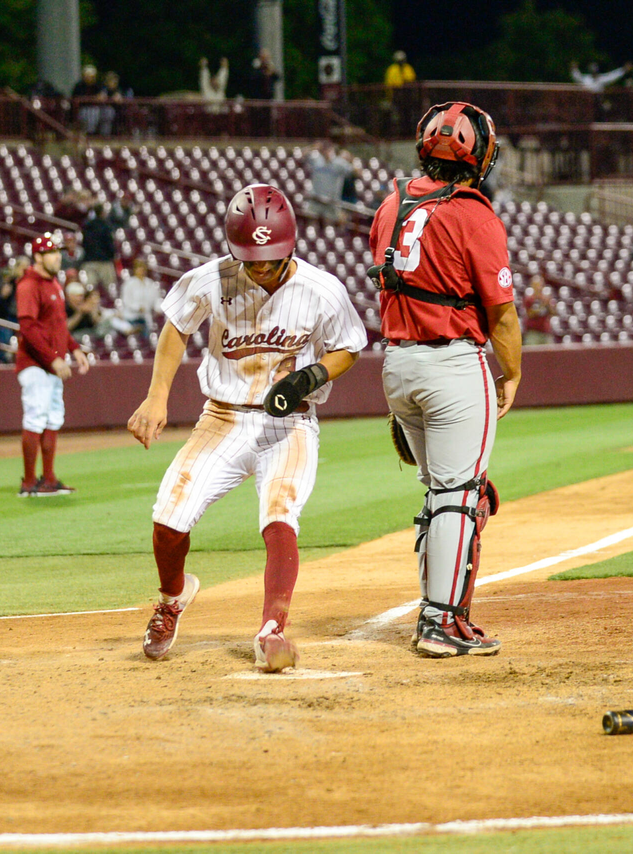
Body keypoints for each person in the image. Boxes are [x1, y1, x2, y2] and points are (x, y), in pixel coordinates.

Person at [128, 184, 366, 672]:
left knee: (279, 516)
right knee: (168, 518)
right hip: (223, 416)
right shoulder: (210, 279)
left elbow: (348, 346)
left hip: (289, 422)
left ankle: (271, 629)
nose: (259, 267)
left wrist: (312, 375)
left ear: (290, 246)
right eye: (249, 258)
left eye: (268, 258)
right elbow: (176, 326)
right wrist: (156, 397)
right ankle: (173, 598)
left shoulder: (323, 289)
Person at [367, 101, 522, 658]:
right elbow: (501, 312)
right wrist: (513, 373)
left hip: (396, 364)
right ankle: (442, 621)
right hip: (453, 362)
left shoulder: (391, 205)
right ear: (478, 155)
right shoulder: (474, 213)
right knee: (462, 495)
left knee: (439, 493)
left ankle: (438, 611)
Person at [15, 234, 91, 497]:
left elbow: (57, 325)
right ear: (38, 256)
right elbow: (28, 327)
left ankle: (48, 479)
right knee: (36, 417)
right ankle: (28, 483)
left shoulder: (53, 283)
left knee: (53, 418)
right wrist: (52, 358)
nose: (57, 256)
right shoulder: (29, 284)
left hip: (50, 362)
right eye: (50, 252)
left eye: (58, 251)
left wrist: (74, 348)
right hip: (35, 363)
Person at [119, 257, 161, 334]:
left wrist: (158, 308)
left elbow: (156, 299)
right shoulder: (128, 284)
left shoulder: (150, 284)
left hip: (146, 317)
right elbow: (126, 301)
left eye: (143, 267)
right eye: (139, 267)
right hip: (132, 317)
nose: (141, 270)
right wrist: (138, 308)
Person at [80, 203, 118, 290]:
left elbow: (84, 243)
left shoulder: (87, 225)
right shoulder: (106, 226)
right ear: (102, 212)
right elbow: (110, 244)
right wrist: (112, 255)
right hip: (104, 262)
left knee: (88, 288)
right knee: (110, 288)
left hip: (90, 260)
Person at [72, 65, 105, 135]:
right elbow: (76, 97)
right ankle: (89, 134)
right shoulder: (79, 86)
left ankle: (94, 133)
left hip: (95, 108)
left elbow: (102, 94)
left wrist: (101, 95)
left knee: (98, 113)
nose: (90, 78)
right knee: (89, 114)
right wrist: (93, 98)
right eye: (88, 76)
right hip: (82, 108)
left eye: (92, 76)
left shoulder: (97, 85)